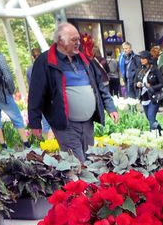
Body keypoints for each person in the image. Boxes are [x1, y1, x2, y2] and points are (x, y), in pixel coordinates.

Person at [28, 23, 118, 161]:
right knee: (78, 163)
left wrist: (110, 107)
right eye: (73, 40)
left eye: (78, 39)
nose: (78, 43)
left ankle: (86, 183)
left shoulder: (84, 59)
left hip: (87, 123)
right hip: (65, 124)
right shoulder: (45, 61)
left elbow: (99, 85)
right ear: (60, 41)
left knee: (89, 159)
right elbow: (36, 92)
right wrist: (35, 122)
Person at [134, 50, 163, 131]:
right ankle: (160, 131)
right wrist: (137, 84)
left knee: (151, 116)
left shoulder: (155, 70)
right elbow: (134, 83)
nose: (141, 60)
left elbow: (162, 83)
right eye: (141, 58)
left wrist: (152, 87)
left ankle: (153, 135)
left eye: (144, 58)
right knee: (150, 118)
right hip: (144, 98)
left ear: (148, 59)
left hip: (154, 97)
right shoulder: (139, 70)